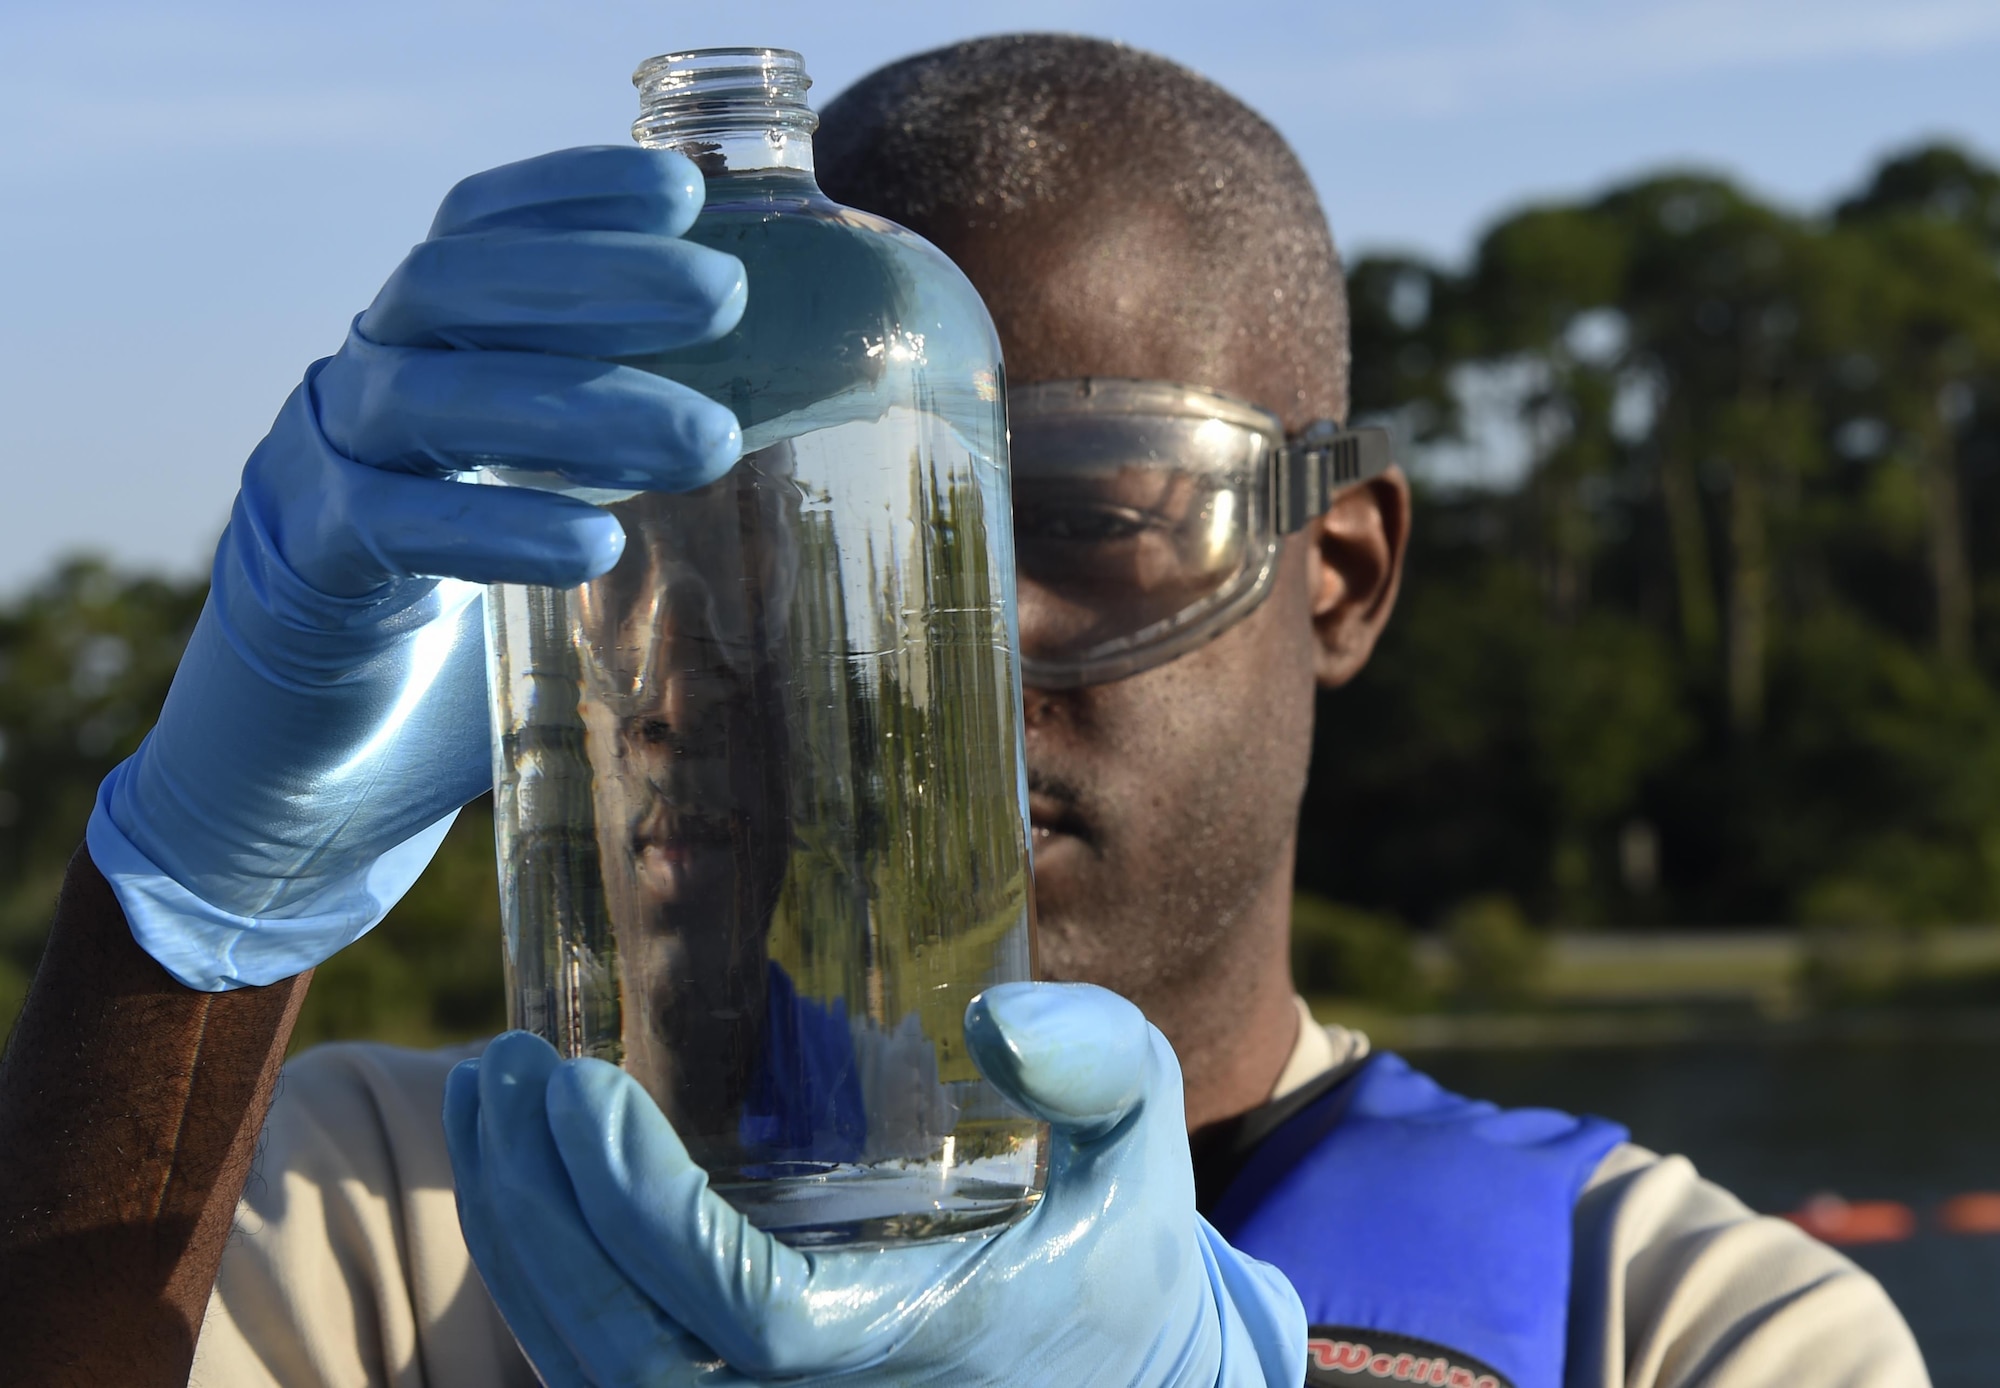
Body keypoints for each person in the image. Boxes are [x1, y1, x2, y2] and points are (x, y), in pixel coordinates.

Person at [0, 35, 1927, 1388]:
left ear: (1336, 569)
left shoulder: (1688, 1324)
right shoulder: (402, 1208)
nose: (910, 660)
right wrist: (188, 920)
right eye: (780, 537)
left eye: (1080, 516)